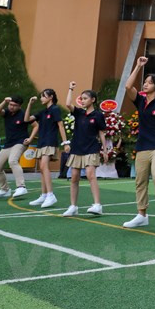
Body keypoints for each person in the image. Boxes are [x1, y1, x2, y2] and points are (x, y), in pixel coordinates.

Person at [122, 57, 155, 231]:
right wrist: (138, 66)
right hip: (142, 146)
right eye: (145, 82)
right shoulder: (140, 101)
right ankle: (141, 215)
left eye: (149, 83)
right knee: (140, 180)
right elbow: (128, 87)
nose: (145, 85)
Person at [62, 83, 107, 216]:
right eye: (81, 99)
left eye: (85, 98)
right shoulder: (79, 113)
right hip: (77, 147)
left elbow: (102, 133)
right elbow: (68, 104)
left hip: (91, 147)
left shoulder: (98, 115)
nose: (82, 101)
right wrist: (70, 88)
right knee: (74, 177)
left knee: (90, 174)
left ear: (93, 100)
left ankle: (97, 205)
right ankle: (73, 207)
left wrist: (105, 150)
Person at [24, 89, 68, 207]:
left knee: (44, 166)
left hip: (50, 141)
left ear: (51, 97)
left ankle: (50, 195)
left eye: (43, 96)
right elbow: (26, 120)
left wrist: (65, 142)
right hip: (41, 142)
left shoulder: (55, 109)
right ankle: (43, 195)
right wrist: (29, 104)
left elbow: (60, 125)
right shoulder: (42, 112)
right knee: (42, 169)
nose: (41, 98)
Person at [0, 95, 30, 199]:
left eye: (14, 105)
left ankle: (21, 186)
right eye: (10, 104)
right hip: (8, 144)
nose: (11, 107)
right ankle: (5, 190)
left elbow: (36, 125)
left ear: (20, 106)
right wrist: (4, 101)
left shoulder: (24, 114)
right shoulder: (7, 112)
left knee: (12, 161)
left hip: (20, 142)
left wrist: (30, 138)